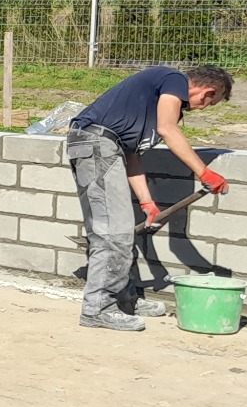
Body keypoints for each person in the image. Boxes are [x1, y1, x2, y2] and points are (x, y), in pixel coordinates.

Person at [65, 63, 233, 331]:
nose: (203, 107)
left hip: (109, 149)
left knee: (122, 233)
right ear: (209, 91)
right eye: (210, 102)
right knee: (113, 233)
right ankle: (98, 309)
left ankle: (124, 299)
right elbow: (168, 129)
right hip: (97, 144)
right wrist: (204, 172)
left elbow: (133, 156)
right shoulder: (173, 79)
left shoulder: (149, 110)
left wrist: (147, 203)